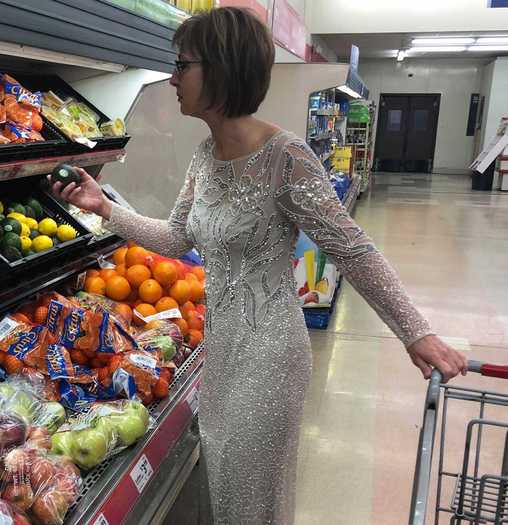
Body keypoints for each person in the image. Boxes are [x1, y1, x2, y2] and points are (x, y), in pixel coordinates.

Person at [50, 7, 468, 524]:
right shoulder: (205, 156)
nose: (173, 77)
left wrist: (415, 331)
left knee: (251, 501)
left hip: (271, 356)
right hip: (221, 353)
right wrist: (104, 208)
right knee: (228, 490)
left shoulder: (285, 158)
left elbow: (352, 249)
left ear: (222, 70)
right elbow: (178, 236)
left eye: (183, 65)